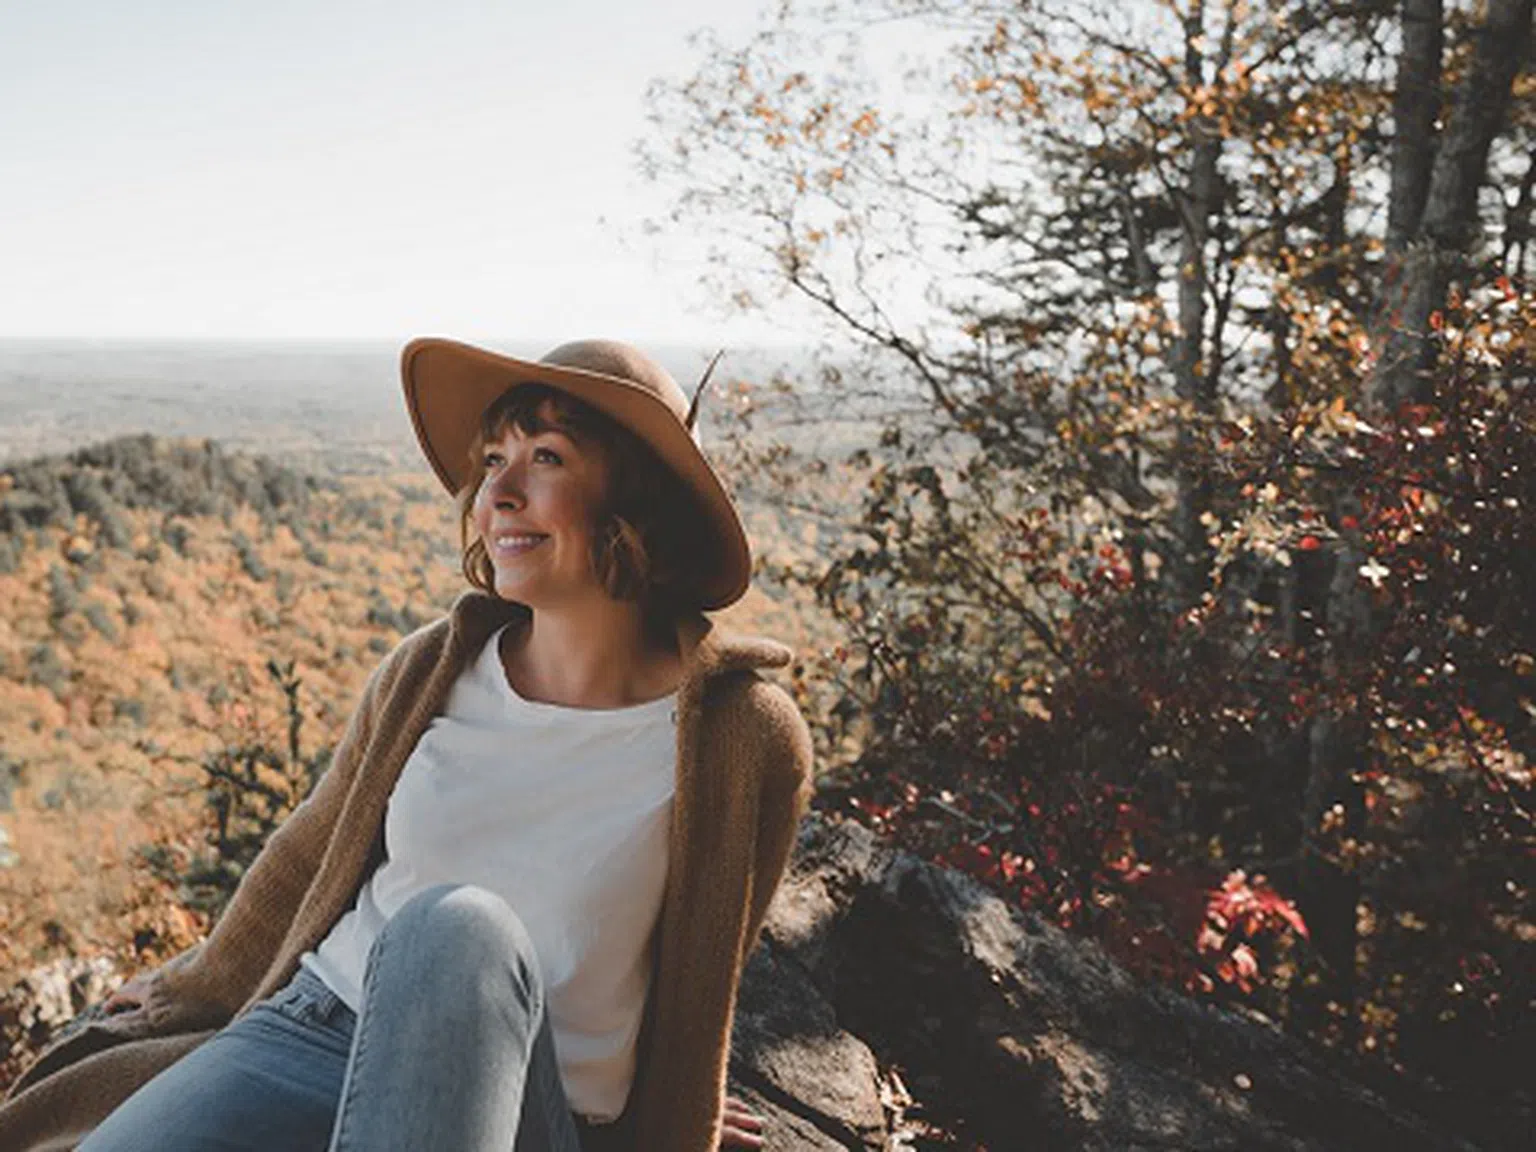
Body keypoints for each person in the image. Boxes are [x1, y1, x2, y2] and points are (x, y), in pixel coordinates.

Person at [0, 338, 815, 1151]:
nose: (498, 490)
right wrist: (194, 986)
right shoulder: (433, 667)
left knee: (459, 931)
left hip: (533, 1107)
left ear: (637, 498)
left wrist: (682, 1126)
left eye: (547, 458)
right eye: (493, 458)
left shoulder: (741, 737)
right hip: (312, 1030)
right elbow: (309, 851)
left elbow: (704, 974)